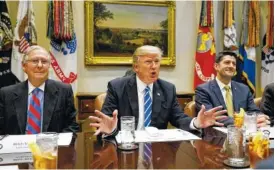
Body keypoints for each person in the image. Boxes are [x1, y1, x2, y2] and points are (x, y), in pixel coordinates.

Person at [89, 45, 228, 136]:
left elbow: (178, 117)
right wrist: (112, 129)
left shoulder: (167, 89)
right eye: (148, 62)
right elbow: (106, 121)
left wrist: (196, 123)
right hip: (125, 148)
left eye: (157, 62)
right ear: (136, 67)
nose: (154, 66)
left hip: (157, 150)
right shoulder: (117, 87)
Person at [0, 45, 79, 135]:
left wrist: (55, 143)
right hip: (17, 147)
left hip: (52, 147)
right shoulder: (7, 94)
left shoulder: (64, 91)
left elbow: (72, 126)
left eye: (44, 61)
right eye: (35, 61)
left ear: (49, 66)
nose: (40, 65)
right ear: (24, 66)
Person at [195, 51, 270, 127]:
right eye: (227, 62)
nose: (231, 66)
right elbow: (210, 117)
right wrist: (245, 121)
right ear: (216, 66)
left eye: (234, 64)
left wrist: (260, 118)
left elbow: (254, 111)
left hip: (244, 133)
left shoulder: (244, 89)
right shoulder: (203, 90)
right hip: (216, 135)